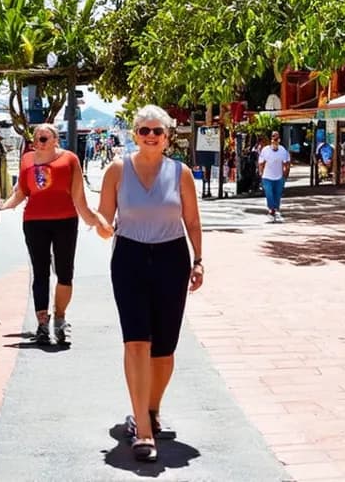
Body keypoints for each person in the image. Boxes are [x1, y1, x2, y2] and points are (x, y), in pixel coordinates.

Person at [94, 105, 203, 463]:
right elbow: (105, 219)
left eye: (158, 131)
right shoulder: (117, 169)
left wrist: (198, 260)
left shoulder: (180, 172)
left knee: (165, 349)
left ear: (168, 136)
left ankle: (152, 409)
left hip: (172, 258)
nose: (151, 136)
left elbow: (192, 220)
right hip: (129, 258)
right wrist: (100, 225)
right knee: (137, 340)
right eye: (144, 131)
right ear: (134, 134)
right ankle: (142, 427)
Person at [0, 122, 101, 346]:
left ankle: (60, 318)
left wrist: (94, 219)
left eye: (44, 139)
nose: (39, 143)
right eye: (36, 139)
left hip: (65, 221)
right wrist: (2, 208)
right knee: (40, 272)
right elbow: (21, 193)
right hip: (34, 222)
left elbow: (78, 197)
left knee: (65, 273)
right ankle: (42, 323)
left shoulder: (70, 159)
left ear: (56, 140)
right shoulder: (26, 160)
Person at [257, 131, 291, 223]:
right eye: (273, 138)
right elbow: (261, 162)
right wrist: (260, 172)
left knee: (277, 194)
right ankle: (271, 209)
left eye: (276, 138)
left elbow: (286, 163)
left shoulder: (282, 150)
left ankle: (276, 209)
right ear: (271, 140)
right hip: (267, 176)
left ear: (279, 140)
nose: (275, 140)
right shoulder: (265, 150)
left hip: (279, 176)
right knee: (269, 193)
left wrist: (286, 173)